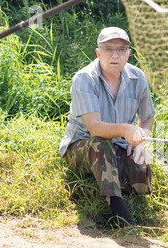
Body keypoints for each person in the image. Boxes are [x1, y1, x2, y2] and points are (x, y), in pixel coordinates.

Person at [59, 27, 155, 229]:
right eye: (108, 49)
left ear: (128, 53)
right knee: (101, 146)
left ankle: (109, 185)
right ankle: (119, 214)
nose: (115, 55)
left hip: (118, 144)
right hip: (83, 147)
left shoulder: (138, 78)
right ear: (98, 52)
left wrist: (140, 139)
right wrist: (125, 130)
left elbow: (147, 117)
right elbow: (94, 128)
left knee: (141, 170)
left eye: (121, 49)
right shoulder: (84, 79)